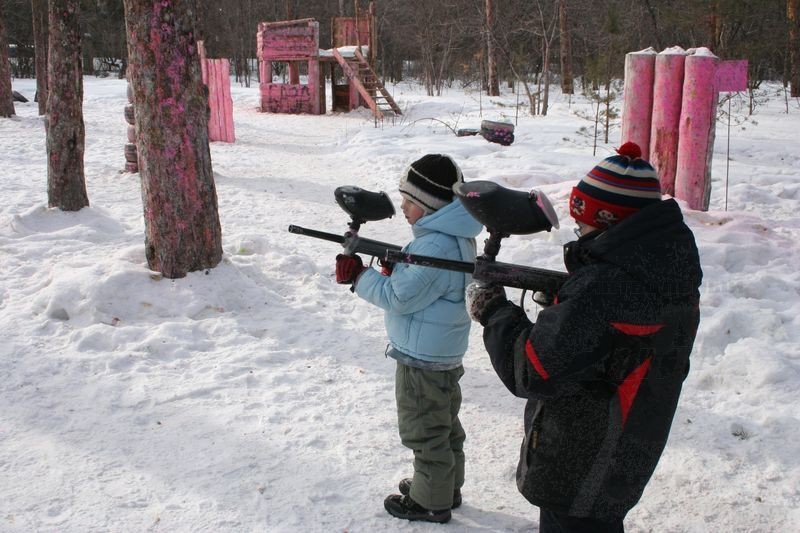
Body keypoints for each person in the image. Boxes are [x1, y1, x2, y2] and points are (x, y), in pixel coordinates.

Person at [465, 142, 702, 532]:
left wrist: (494, 311)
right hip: (626, 447)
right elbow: (609, 344)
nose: (577, 230)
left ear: (609, 221)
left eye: (584, 223)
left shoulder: (604, 288)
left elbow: (531, 369)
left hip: (583, 461)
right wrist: (563, 309)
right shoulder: (664, 266)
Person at [335, 154, 483, 524]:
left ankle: (430, 502)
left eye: (409, 202)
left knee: (424, 430)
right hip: (443, 353)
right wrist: (398, 267)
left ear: (430, 205)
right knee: (445, 425)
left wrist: (358, 277)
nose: (402, 207)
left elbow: (398, 298)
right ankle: (444, 486)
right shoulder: (454, 238)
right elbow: (424, 286)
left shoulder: (433, 247)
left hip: (421, 358)